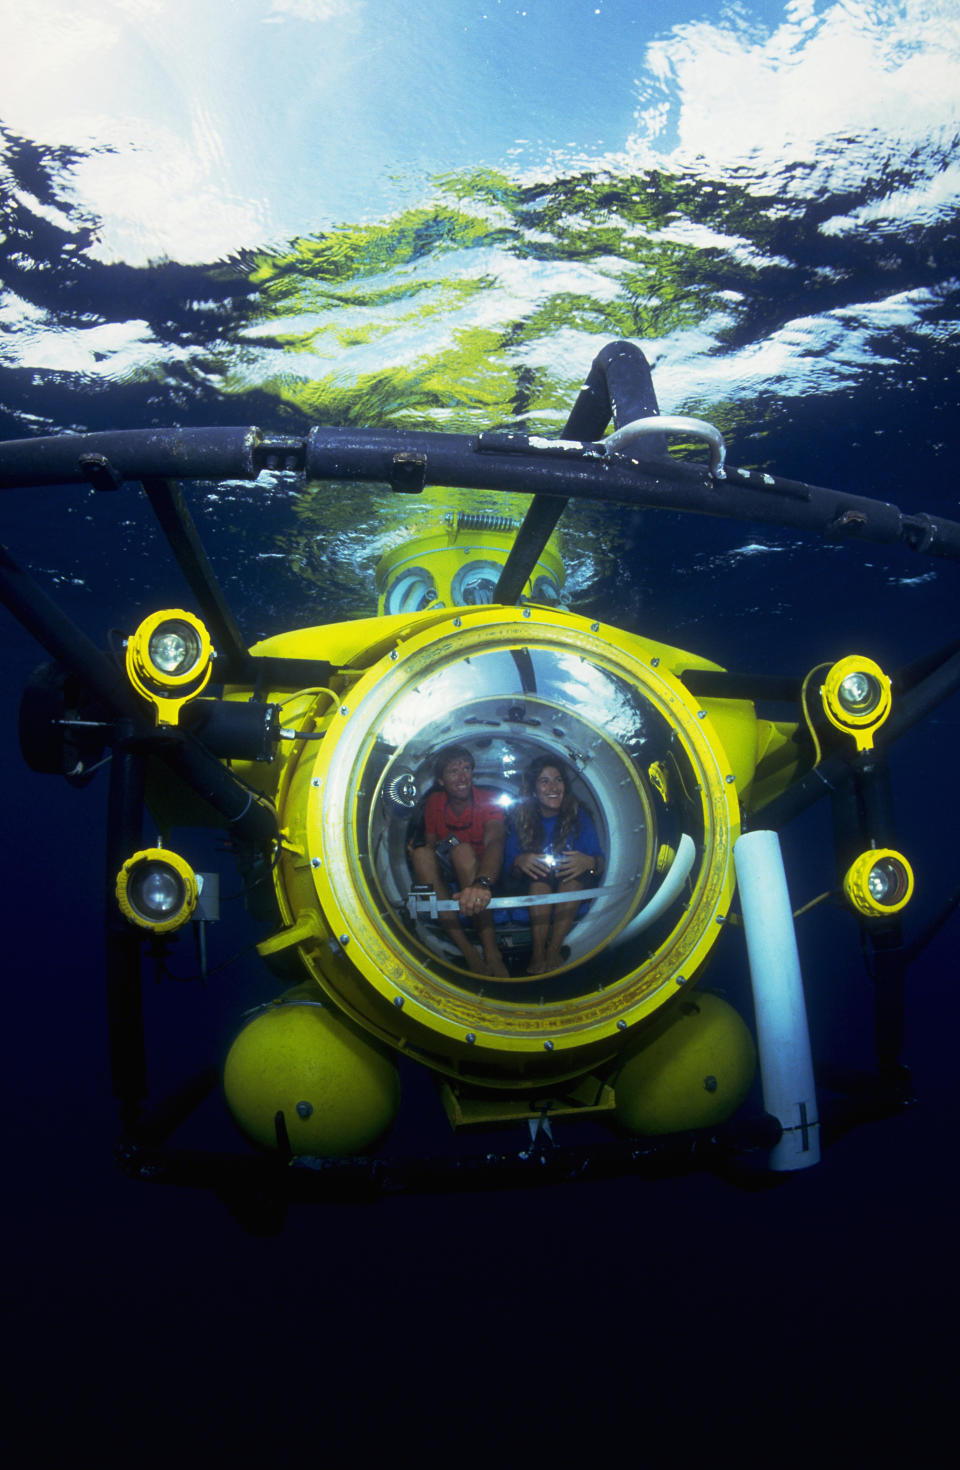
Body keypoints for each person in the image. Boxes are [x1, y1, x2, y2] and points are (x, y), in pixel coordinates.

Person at [409, 745, 508, 977]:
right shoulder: (435, 802)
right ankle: (468, 950)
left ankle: (492, 952)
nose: (462, 777)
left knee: (462, 851)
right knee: (423, 854)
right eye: (453, 771)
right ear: (441, 780)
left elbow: (496, 842)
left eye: (466, 769)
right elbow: (432, 844)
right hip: (448, 866)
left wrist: (482, 883)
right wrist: (418, 853)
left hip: (484, 869)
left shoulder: (489, 799)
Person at [504, 755, 604, 974]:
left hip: (571, 879)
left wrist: (589, 861)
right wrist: (520, 861)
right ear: (533, 790)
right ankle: (538, 953)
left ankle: (553, 951)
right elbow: (508, 869)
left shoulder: (580, 815)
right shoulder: (521, 818)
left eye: (558, 780)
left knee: (572, 880)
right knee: (539, 882)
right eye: (544, 781)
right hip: (535, 881)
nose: (553, 787)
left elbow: (600, 862)